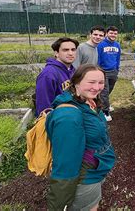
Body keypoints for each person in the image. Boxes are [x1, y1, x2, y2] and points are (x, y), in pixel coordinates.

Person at [46, 64, 116, 210]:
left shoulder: (88, 100)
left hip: (97, 167)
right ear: (76, 82)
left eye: (101, 82)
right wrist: (58, 202)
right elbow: (65, 163)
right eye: (91, 82)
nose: (97, 87)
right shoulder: (69, 116)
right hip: (86, 177)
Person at [35, 37, 79, 116]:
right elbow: (44, 106)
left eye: (73, 50)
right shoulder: (48, 74)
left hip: (71, 116)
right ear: (56, 53)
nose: (70, 53)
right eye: (65, 50)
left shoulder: (73, 70)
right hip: (58, 120)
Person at [97, 26, 121, 122]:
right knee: (104, 92)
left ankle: (104, 103)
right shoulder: (101, 45)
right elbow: (98, 58)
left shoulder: (117, 45)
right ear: (107, 33)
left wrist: (117, 69)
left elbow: (118, 58)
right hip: (103, 71)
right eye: (111, 33)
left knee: (109, 90)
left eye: (115, 33)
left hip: (113, 71)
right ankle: (105, 111)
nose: (113, 35)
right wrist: (99, 71)